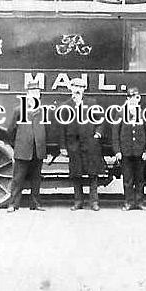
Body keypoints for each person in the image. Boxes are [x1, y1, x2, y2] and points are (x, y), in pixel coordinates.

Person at [56, 77, 106, 211]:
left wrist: (97, 135)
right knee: (76, 174)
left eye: (80, 87)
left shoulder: (92, 103)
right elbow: (61, 128)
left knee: (93, 174)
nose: (77, 90)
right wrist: (63, 147)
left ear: (84, 89)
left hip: (90, 144)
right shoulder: (65, 106)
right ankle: (78, 202)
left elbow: (100, 121)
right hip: (73, 145)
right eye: (75, 87)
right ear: (70, 88)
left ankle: (94, 202)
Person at [5, 78, 48, 212]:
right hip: (23, 150)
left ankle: (35, 204)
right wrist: (17, 145)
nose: (34, 95)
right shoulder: (19, 110)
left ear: (39, 95)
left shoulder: (43, 111)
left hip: (38, 150)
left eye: (37, 92)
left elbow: (47, 130)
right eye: (32, 92)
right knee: (18, 178)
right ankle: (13, 204)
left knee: (36, 179)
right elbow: (10, 130)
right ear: (27, 94)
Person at [112, 87, 146, 211]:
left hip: (140, 153)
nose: (133, 100)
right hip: (126, 152)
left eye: (135, 97)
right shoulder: (121, 113)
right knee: (128, 179)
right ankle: (128, 202)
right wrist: (117, 151)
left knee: (140, 179)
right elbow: (115, 134)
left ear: (139, 98)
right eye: (130, 98)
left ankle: (140, 202)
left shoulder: (144, 113)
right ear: (127, 99)